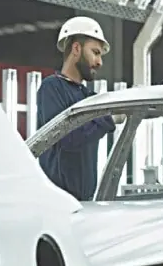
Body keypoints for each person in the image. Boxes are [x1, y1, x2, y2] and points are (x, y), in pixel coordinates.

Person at [36, 16, 123, 201]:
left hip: (85, 201)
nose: (99, 62)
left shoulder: (87, 96)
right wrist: (109, 118)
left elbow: (129, 102)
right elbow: (68, 138)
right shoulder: (52, 88)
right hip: (56, 202)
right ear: (76, 48)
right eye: (95, 52)